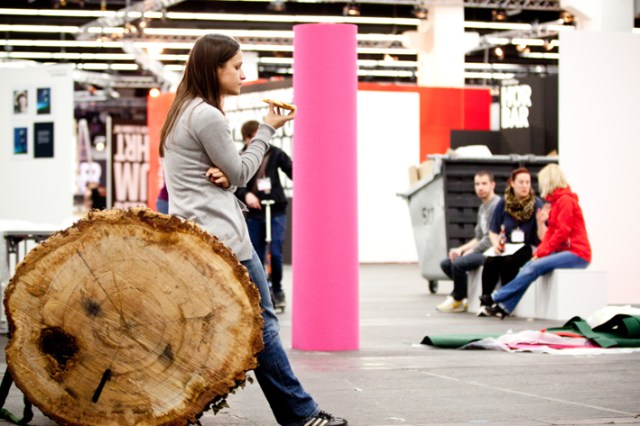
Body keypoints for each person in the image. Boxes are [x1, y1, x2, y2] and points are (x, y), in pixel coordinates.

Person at [159, 34, 347, 426]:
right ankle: (299, 414)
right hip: (225, 240)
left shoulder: (181, 112)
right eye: (237, 66)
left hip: (196, 239)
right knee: (263, 325)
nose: (243, 74)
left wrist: (227, 179)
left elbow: (220, 176)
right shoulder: (208, 116)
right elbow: (243, 172)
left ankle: (174, 407)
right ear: (215, 69)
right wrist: (267, 129)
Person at [480, 164, 591, 318]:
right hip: (566, 252)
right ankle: (505, 307)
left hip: (577, 253)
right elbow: (551, 234)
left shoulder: (565, 201)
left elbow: (561, 233)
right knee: (530, 265)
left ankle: (496, 297)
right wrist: (539, 252)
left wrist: (541, 253)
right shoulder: (557, 203)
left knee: (533, 266)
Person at [235, 119, 292, 311]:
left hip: (275, 209)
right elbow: (235, 183)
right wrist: (246, 195)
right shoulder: (241, 157)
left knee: (275, 252)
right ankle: (260, 294)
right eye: (254, 138)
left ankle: (278, 290)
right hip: (255, 212)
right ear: (246, 139)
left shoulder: (276, 153)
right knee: (256, 256)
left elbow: (294, 172)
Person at [477, 167, 545, 316]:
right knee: (491, 261)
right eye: (521, 182)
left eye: (527, 182)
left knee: (509, 262)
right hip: (507, 245)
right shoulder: (503, 203)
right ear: (512, 183)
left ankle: (504, 302)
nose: (525, 186)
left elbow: (542, 236)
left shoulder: (536, 204)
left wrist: (540, 222)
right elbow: (493, 230)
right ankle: (485, 302)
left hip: (528, 246)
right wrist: (496, 245)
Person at [436, 170, 500, 313]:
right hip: (482, 248)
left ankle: (458, 298)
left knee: (458, 264)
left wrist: (471, 252)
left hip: (492, 252)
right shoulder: (482, 207)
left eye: (484, 183)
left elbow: (491, 238)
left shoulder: (496, 206)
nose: (480, 187)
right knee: (447, 263)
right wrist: (461, 249)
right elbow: (478, 237)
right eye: (477, 184)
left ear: (493, 185)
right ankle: (464, 296)